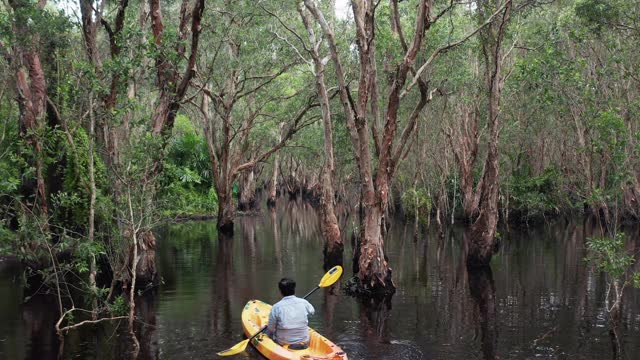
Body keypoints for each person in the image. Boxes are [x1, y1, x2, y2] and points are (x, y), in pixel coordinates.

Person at [267, 278, 315, 349]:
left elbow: (271, 329)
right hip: (304, 340)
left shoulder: (276, 307)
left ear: (280, 291)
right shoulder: (303, 302)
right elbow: (312, 312)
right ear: (294, 289)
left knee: (267, 331)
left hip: (283, 341)